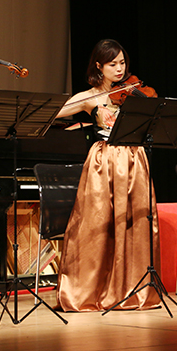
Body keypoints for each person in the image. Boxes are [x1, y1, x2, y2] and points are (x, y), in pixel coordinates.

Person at [53, 39, 160, 311]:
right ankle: (90, 288)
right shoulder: (89, 97)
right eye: (113, 64)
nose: (120, 69)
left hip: (134, 160)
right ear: (99, 66)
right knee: (96, 222)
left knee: (134, 223)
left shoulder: (134, 92)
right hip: (103, 161)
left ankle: (130, 287)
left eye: (122, 63)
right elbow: (54, 112)